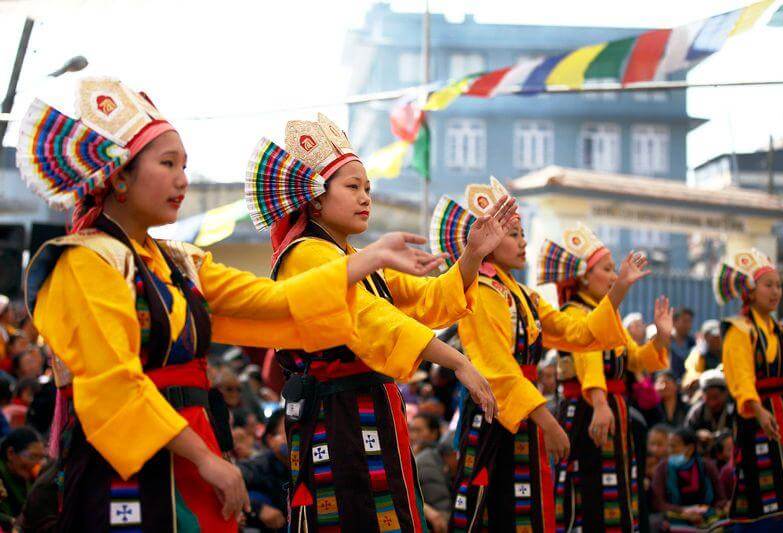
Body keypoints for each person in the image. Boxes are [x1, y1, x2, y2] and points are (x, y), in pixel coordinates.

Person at [17, 78, 449, 532]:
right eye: (168, 163)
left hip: (193, 442)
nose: (183, 180)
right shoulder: (83, 262)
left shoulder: (179, 262)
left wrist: (369, 259)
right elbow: (113, 387)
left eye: (185, 166)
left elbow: (273, 300)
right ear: (119, 176)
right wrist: (206, 458)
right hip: (134, 454)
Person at [249, 114, 503, 532]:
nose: (366, 197)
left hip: (368, 406)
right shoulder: (305, 254)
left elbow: (426, 299)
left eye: (367, 188)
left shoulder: (352, 257)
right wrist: (458, 361)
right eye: (353, 187)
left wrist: (473, 254)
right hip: (338, 413)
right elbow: (375, 320)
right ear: (315, 198)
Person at [438, 196, 651, 533]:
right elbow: (498, 369)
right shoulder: (482, 291)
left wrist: (620, 288)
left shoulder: (525, 295)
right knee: (495, 509)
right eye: (513, 235)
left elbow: (579, 333)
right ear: (487, 240)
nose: (523, 242)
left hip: (523, 410)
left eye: (522, 234)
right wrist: (548, 421)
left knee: (525, 508)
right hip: (492, 412)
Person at [541, 223, 672, 532]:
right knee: (589, 490)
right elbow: (589, 358)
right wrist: (600, 403)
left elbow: (634, 359)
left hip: (611, 408)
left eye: (615, 270)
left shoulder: (607, 314)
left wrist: (662, 338)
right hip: (587, 410)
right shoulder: (575, 312)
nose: (614, 276)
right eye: (608, 269)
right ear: (585, 276)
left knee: (615, 488)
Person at [715, 248, 783, 527]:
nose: (776, 292)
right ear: (750, 291)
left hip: (781, 412)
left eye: (778, 286)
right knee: (757, 483)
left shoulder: (781, 331)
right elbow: (740, 376)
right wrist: (758, 410)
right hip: (754, 415)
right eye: (768, 285)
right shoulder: (739, 329)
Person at [651, 428, 726, 532]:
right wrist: (683, 511)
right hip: (676, 517)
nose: (669, 451)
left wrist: (707, 511)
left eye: (673, 446)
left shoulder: (706, 467)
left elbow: (721, 499)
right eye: (669, 446)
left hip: (705, 517)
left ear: (690, 448)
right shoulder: (663, 468)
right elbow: (658, 503)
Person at [239, 409, 291, 533]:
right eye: (287, 432)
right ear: (270, 440)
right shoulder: (261, 465)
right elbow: (232, 479)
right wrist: (258, 508)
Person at [409, 412, 450, 533]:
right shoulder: (420, 457)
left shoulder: (426, 462)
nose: (412, 435)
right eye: (411, 430)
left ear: (434, 433)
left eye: (418, 430)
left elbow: (441, 513)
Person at [0, 427, 46, 530]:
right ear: (11, 453)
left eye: (41, 458)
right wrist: (9, 521)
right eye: (32, 457)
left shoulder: (29, 479)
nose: (37, 464)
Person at [684, 370, 734, 434]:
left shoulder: (734, 410)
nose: (712, 403)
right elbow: (687, 434)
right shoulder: (697, 412)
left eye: (715, 397)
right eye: (708, 398)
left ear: (725, 393)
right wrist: (697, 435)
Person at [682, 320, 722, 392]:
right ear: (705, 337)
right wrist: (714, 374)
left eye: (719, 335)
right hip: (702, 390)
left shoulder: (727, 351)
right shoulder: (698, 353)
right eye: (714, 336)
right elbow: (693, 375)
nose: (718, 338)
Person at [670, 307, 696, 381]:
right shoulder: (665, 341)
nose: (688, 325)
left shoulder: (692, 343)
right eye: (685, 321)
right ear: (674, 322)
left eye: (690, 321)